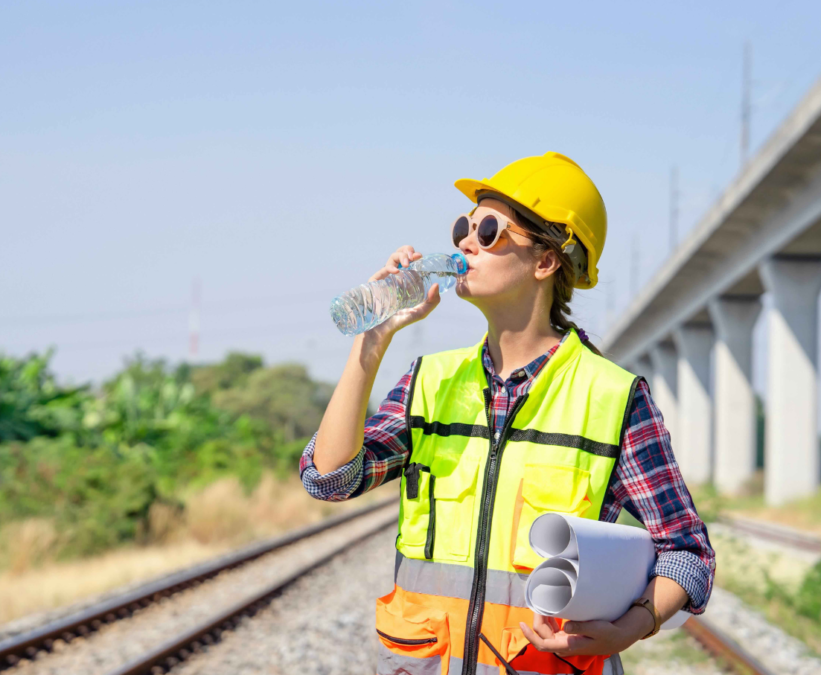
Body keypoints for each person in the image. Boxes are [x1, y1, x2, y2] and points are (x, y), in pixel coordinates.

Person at [300, 152, 715, 675]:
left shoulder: (613, 396)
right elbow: (329, 480)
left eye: (490, 230)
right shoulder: (429, 380)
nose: (464, 244)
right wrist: (372, 340)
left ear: (546, 261)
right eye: (463, 228)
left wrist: (632, 628)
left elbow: (687, 551)